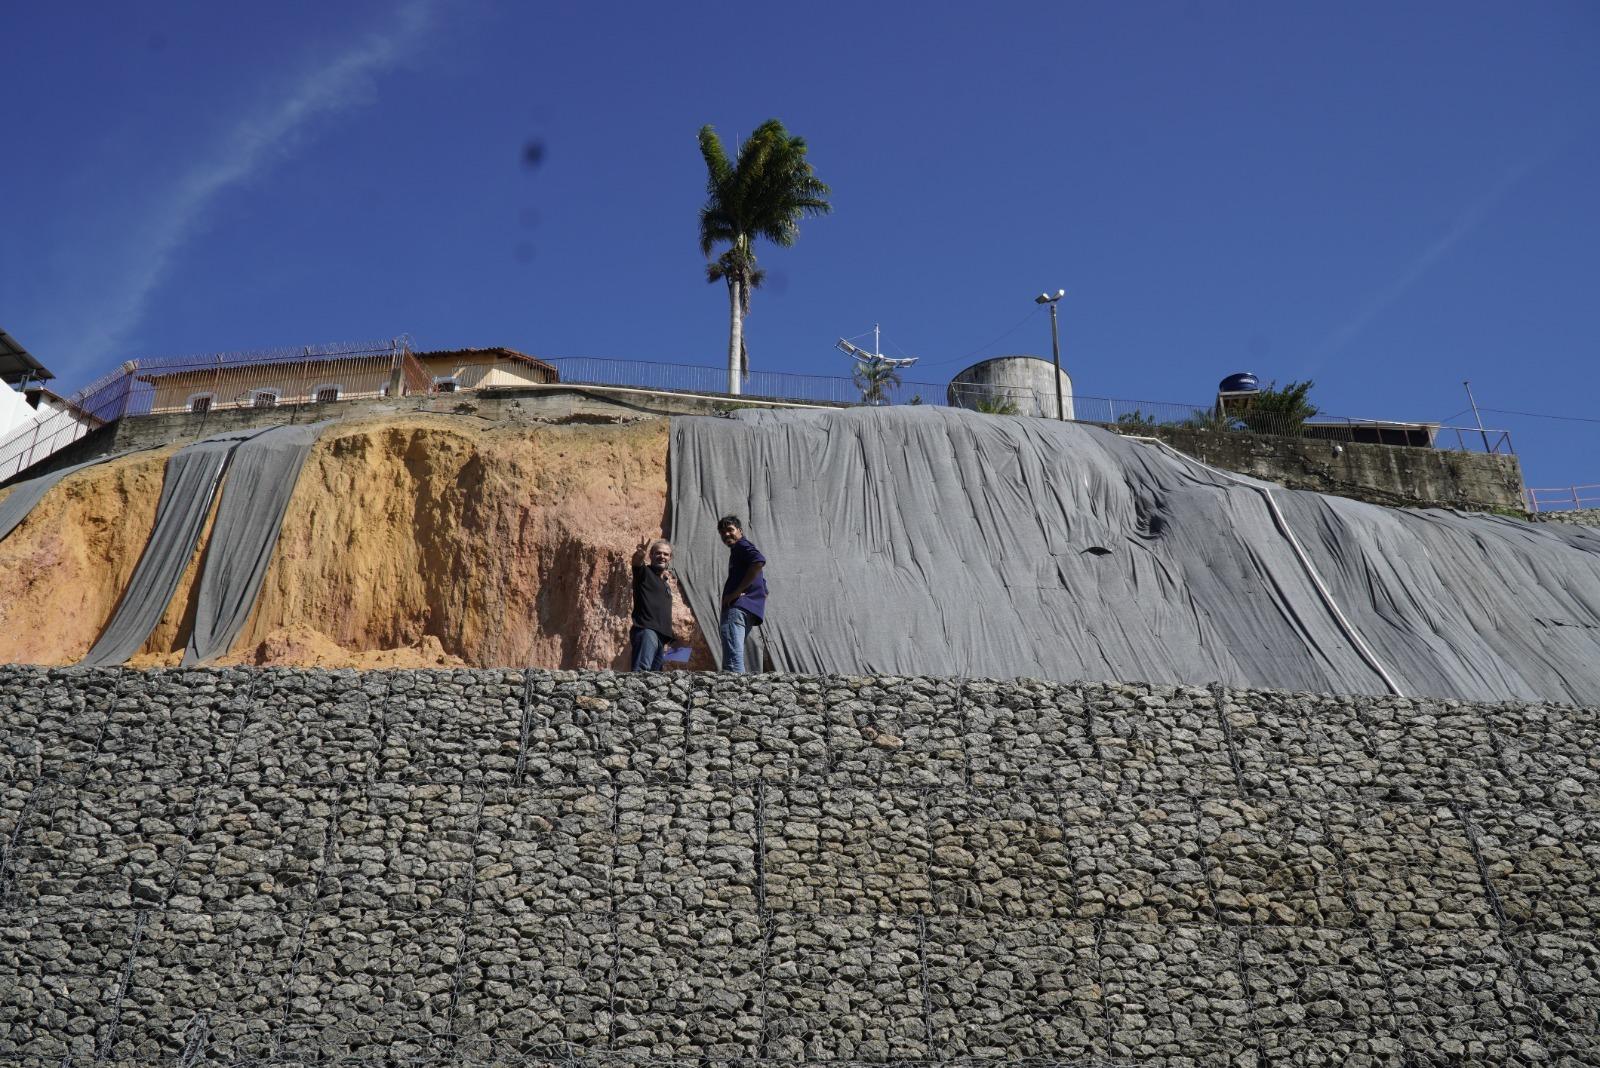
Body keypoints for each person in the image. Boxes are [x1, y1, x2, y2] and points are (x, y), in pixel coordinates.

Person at [717, 515, 767, 672]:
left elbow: (759, 560)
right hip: (750, 610)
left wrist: (736, 592)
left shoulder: (741, 546)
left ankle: (733, 693)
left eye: (730, 530)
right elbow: (763, 587)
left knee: (732, 659)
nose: (726, 534)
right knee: (735, 652)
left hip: (737, 609)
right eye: (722, 532)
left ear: (740, 531)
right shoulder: (739, 552)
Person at [629, 538, 677, 671]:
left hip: (661, 637)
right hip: (646, 631)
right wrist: (639, 554)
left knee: (655, 680)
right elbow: (637, 563)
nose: (662, 556)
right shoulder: (644, 573)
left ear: (670, 558)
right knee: (642, 672)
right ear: (650, 555)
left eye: (666, 554)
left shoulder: (665, 584)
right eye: (658, 553)